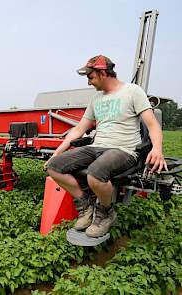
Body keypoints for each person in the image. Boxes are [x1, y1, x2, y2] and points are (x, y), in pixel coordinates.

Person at [45, 55, 167, 238]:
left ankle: (105, 212)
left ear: (103, 73)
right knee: (54, 167)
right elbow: (79, 129)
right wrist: (56, 153)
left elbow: (152, 125)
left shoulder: (133, 91)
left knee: (95, 174)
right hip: (97, 147)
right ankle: (86, 205)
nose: (88, 82)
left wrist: (157, 149)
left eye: (91, 77)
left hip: (124, 150)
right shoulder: (96, 99)